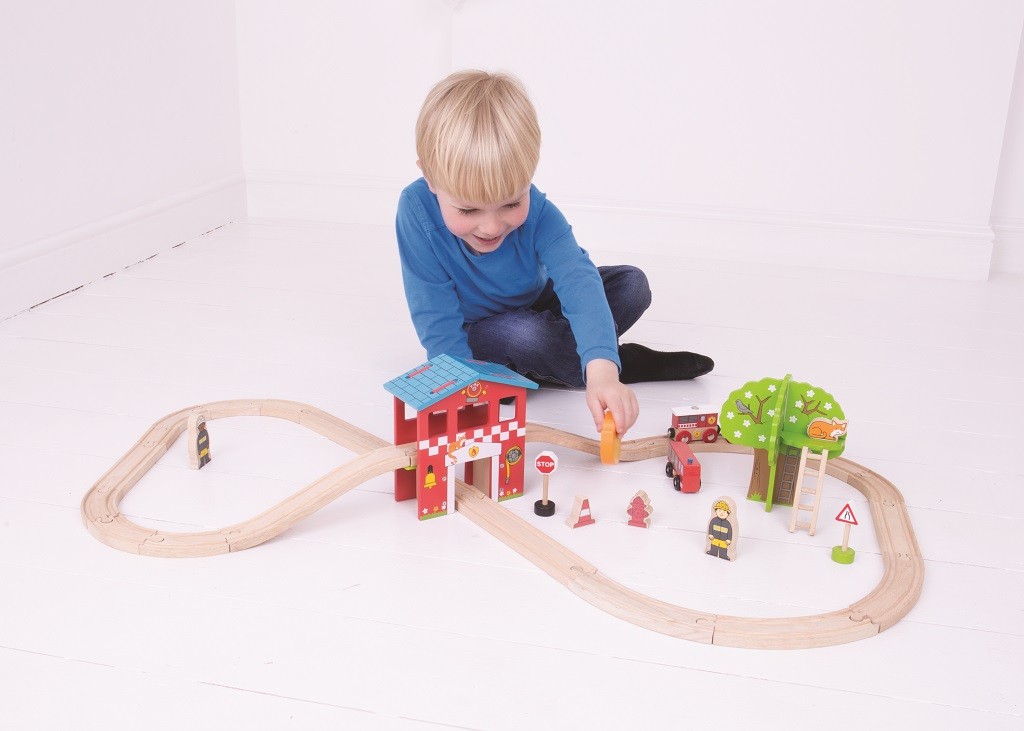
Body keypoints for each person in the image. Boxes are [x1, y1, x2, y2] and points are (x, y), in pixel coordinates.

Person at [395, 70, 713, 437]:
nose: (492, 226)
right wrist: (462, 383)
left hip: (540, 302)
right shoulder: (415, 210)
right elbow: (432, 309)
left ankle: (589, 362)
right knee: (526, 336)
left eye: (511, 203)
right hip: (481, 332)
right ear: (430, 178)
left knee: (631, 285)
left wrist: (601, 368)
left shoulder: (540, 211)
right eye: (468, 210)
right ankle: (617, 361)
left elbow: (577, 278)